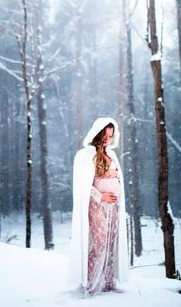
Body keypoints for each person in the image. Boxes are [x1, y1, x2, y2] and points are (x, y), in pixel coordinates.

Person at [69, 117, 128, 296]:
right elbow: (83, 184)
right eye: (104, 135)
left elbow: (117, 178)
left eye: (110, 136)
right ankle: (91, 284)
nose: (107, 139)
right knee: (99, 242)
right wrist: (101, 196)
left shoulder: (112, 154)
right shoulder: (85, 155)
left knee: (111, 241)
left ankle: (109, 281)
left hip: (114, 206)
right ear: (97, 133)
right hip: (96, 205)